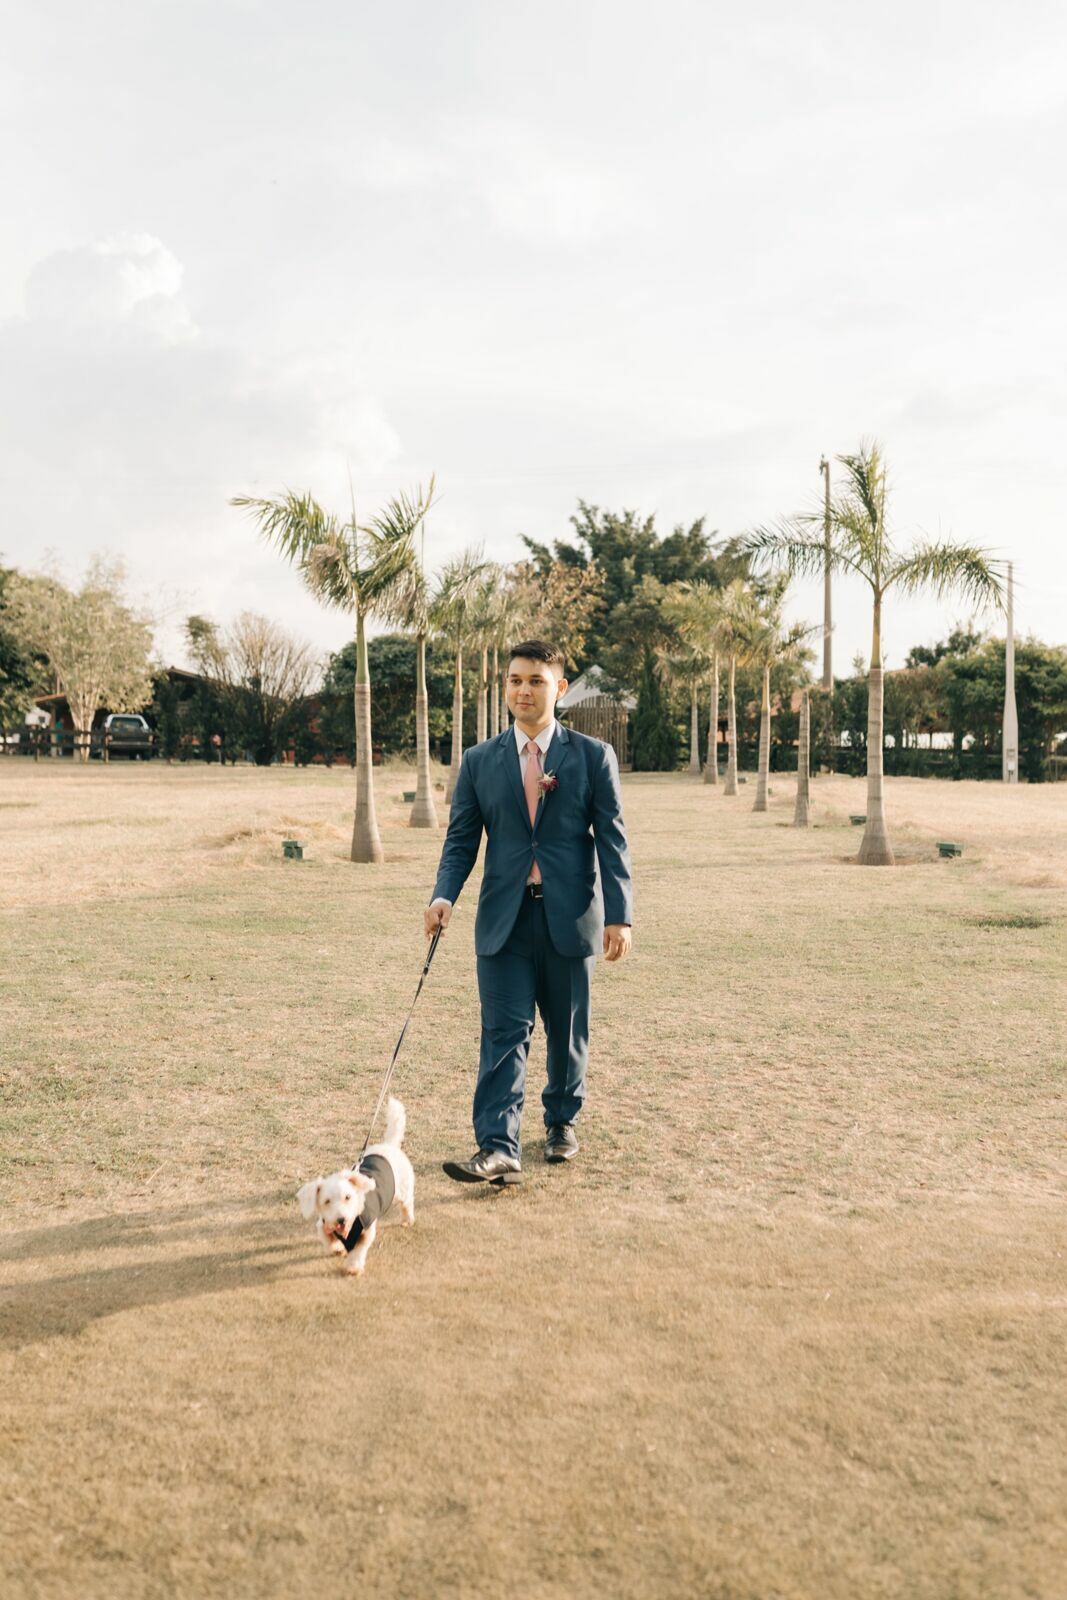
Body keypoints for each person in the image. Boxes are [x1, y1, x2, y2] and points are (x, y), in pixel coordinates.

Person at [424, 639, 633, 1185]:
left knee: (566, 1033)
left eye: (536, 680)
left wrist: (620, 914)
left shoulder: (591, 757)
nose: (523, 689)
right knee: (503, 1033)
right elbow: (461, 841)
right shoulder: (479, 761)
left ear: (559, 689)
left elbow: (612, 840)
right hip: (504, 921)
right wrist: (444, 895)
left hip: (571, 917)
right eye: (516, 679)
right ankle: (498, 1147)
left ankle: (562, 1120)